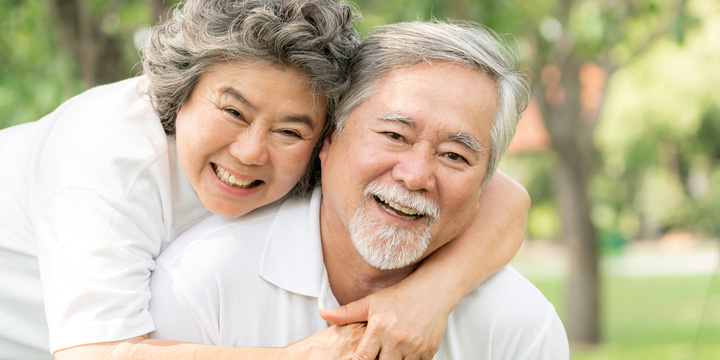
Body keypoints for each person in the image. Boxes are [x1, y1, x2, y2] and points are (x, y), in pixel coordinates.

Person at [0, 1, 530, 359]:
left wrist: (429, 297)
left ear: (328, 136)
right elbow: (96, 354)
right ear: (180, 89)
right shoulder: (104, 158)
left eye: (290, 130)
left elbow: (506, 197)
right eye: (233, 111)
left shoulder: (329, 141)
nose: (252, 151)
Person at [147, 20, 569, 359]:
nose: (416, 175)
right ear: (328, 140)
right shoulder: (200, 282)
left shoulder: (519, 326)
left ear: (485, 182)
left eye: (455, 156)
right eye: (394, 135)